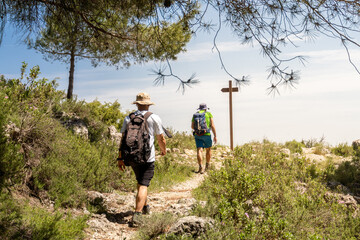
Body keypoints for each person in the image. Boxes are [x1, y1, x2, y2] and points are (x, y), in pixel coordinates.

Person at [117, 92, 166, 227]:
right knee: (144, 184)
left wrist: (120, 157)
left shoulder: (128, 118)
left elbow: (122, 139)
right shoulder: (154, 118)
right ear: (149, 105)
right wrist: (163, 149)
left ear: (137, 103)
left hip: (131, 156)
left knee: (140, 181)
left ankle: (145, 206)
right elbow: (161, 138)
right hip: (147, 157)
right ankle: (137, 215)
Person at [191, 103, 217, 174]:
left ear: (199, 109)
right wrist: (215, 135)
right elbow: (212, 125)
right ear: (206, 108)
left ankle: (200, 166)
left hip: (198, 135)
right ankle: (207, 166)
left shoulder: (195, 115)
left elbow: (192, 127)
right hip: (207, 134)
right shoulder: (208, 114)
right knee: (208, 150)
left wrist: (198, 130)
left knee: (199, 150)